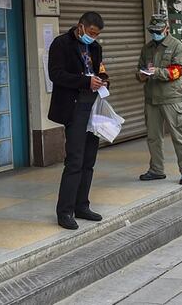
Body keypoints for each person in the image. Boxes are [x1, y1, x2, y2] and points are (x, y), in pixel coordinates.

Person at [48, 12, 109, 230]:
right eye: (91, 33)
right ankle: (64, 211)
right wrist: (85, 81)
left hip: (92, 106)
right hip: (72, 107)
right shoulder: (61, 44)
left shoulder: (95, 47)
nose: (93, 37)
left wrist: (103, 81)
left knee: (89, 160)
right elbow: (55, 74)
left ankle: (82, 205)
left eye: (97, 34)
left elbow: (100, 70)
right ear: (80, 27)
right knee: (74, 160)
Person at [137, 15, 182, 185]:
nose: (155, 34)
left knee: (179, 136)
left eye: (158, 31)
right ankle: (156, 169)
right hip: (151, 99)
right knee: (153, 137)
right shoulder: (147, 48)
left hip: (172, 98)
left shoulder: (175, 46)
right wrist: (140, 75)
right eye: (152, 31)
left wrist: (157, 72)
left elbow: (177, 71)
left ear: (166, 29)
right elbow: (140, 68)